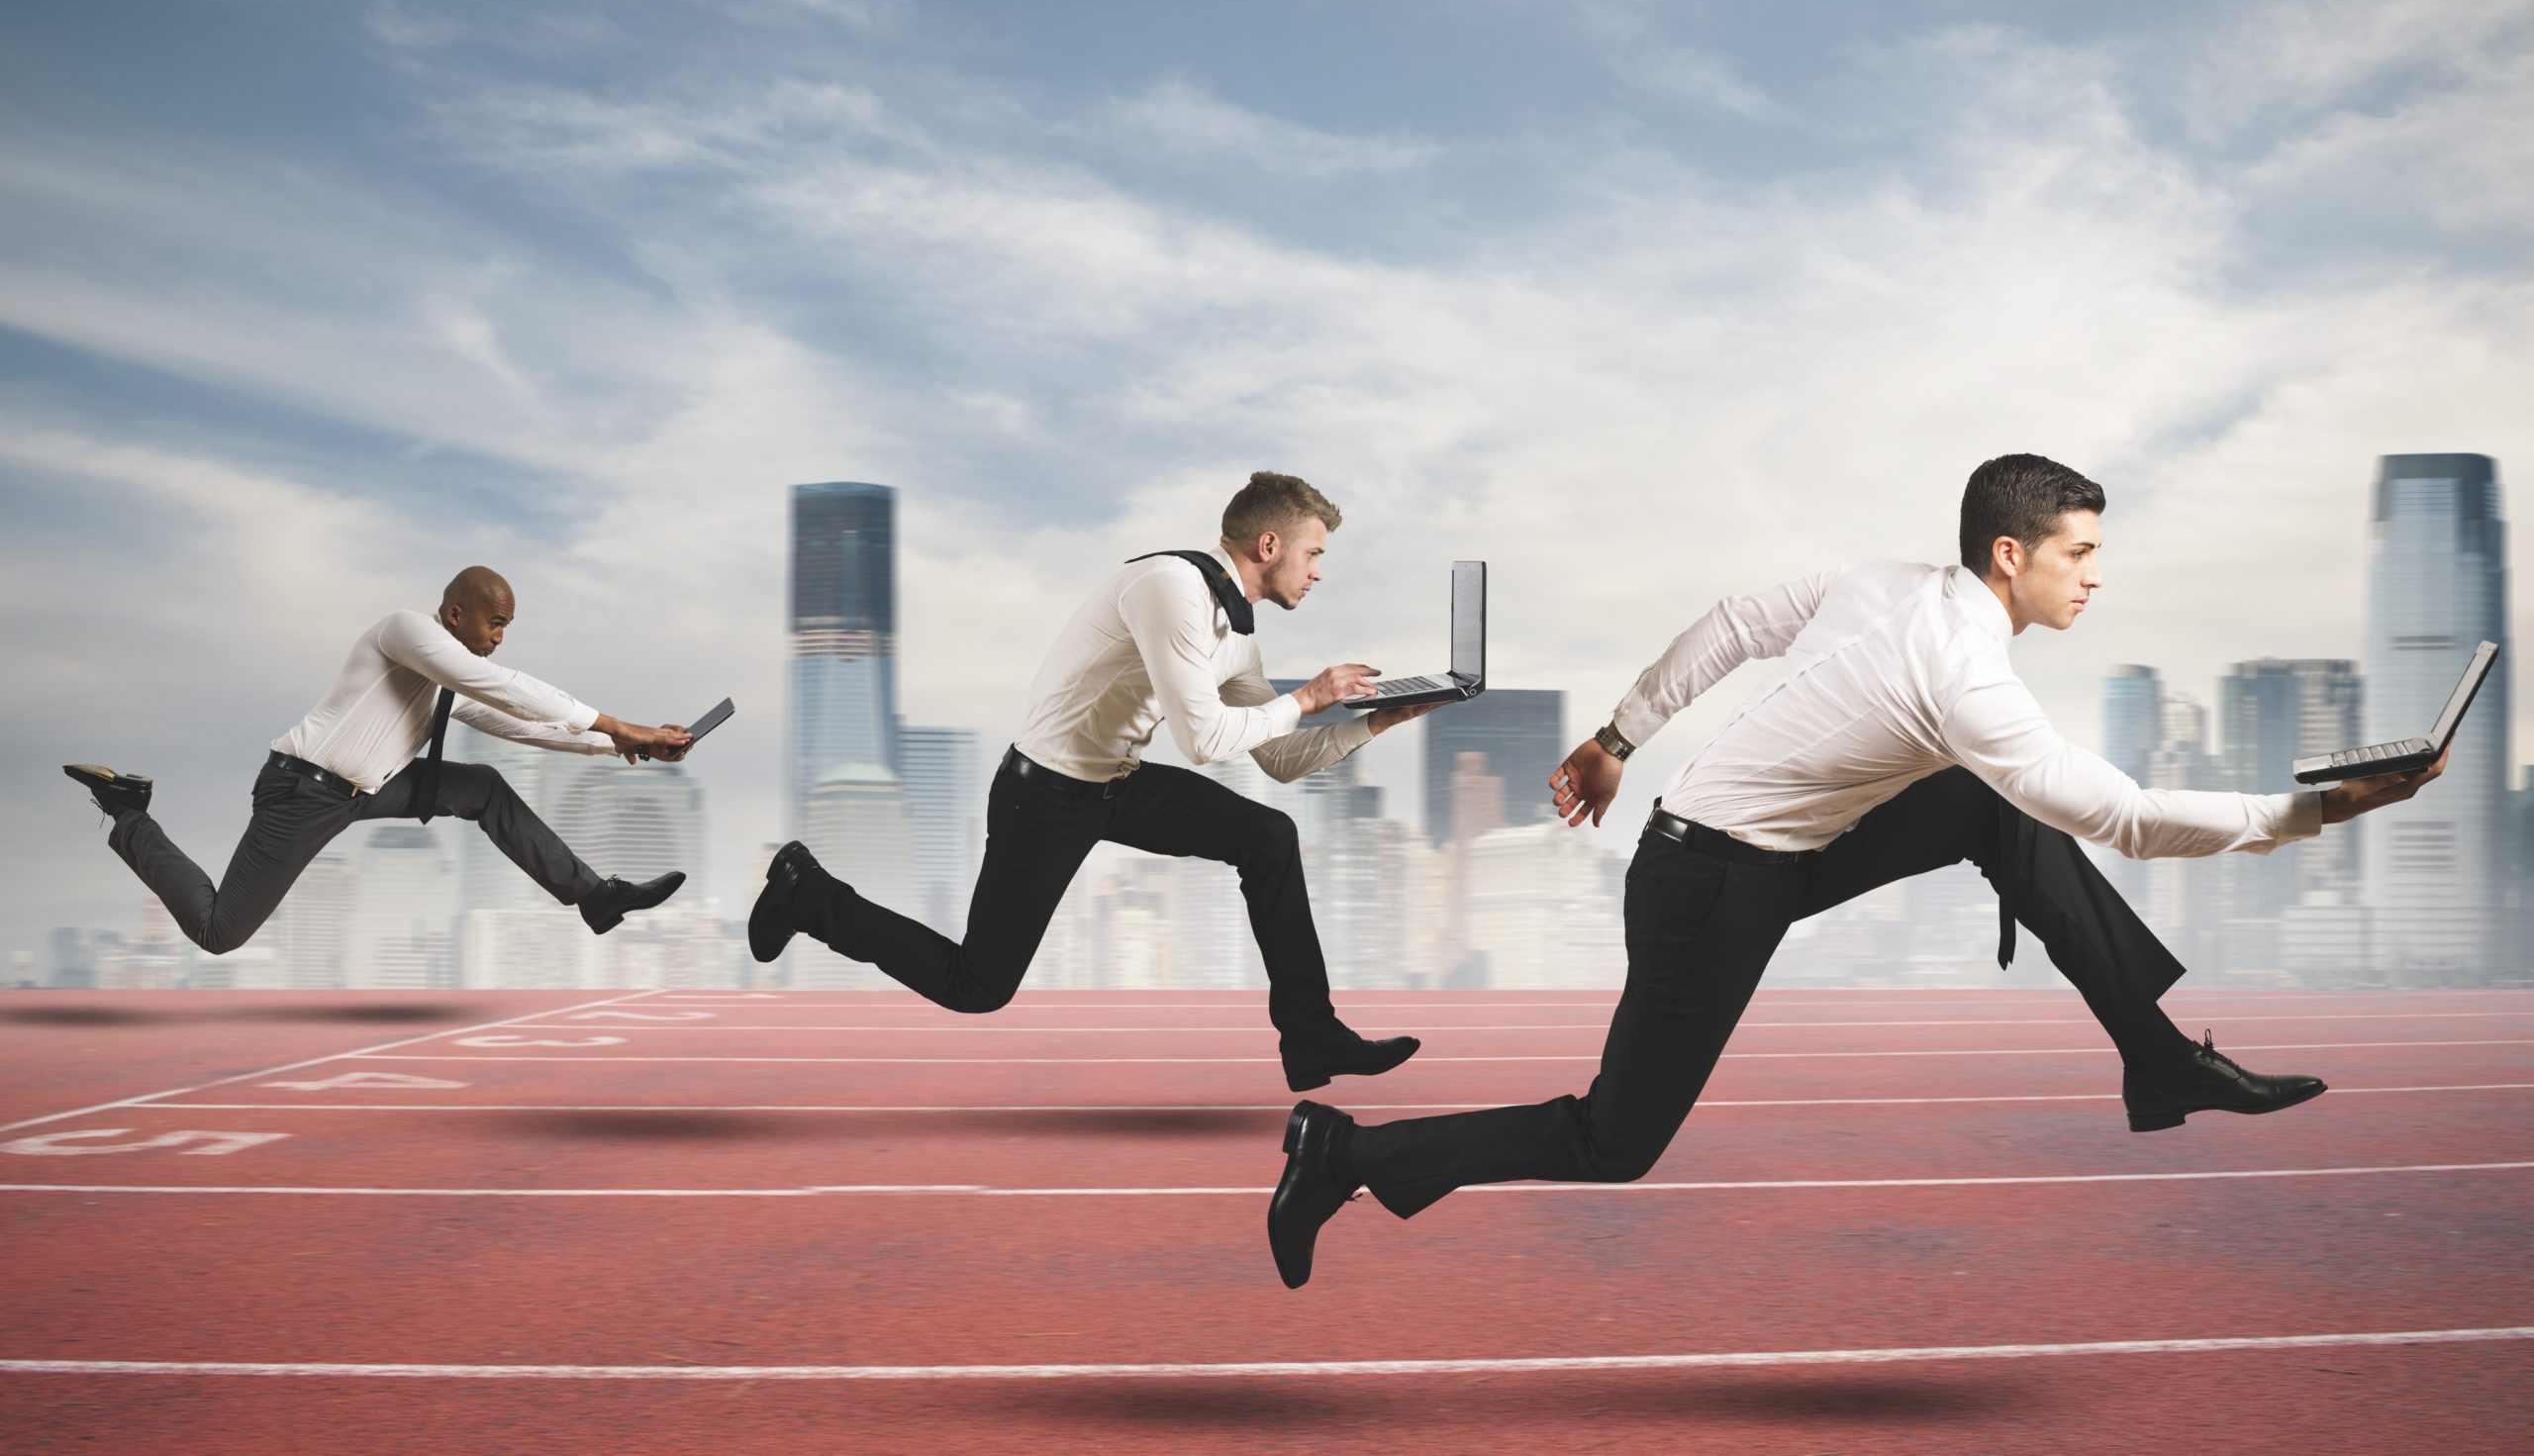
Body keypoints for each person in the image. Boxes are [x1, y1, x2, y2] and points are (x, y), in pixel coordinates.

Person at [1265, 453, 2451, 1288]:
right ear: (2009, 553)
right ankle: (1350, 1155)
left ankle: (2157, 1059)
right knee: (1612, 1143)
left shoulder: (1892, 582)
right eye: (2079, 554)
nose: (2094, 576)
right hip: (1709, 887)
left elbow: (1731, 621)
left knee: (1995, 813)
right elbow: (2126, 818)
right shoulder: (1963, 676)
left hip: (1763, 850)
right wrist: (2315, 812)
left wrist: (1618, 735)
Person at [749, 471, 1434, 1092]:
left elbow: (1279, 759)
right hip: (1043, 793)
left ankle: (1312, 1040)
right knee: (977, 987)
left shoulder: (1237, 634)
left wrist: (1380, 722)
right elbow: (1202, 741)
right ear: (1267, 544)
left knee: (1268, 837)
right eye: (1314, 554)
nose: (1318, 572)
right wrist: (1309, 696)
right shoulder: (1171, 588)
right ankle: (808, 894)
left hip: (1118, 784)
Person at [65, 566, 695, 955]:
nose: (500, 636)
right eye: (495, 623)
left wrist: (614, 744)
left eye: (508, 627)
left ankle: (594, 896)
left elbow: (509, 719)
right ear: (455, 614)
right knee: (218, 933)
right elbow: (501, 687)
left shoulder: (444, 678)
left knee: (483, 788)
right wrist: (618, 722)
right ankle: (129, 816)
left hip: (368, 790)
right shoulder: (404, 630)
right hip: (302, 791)